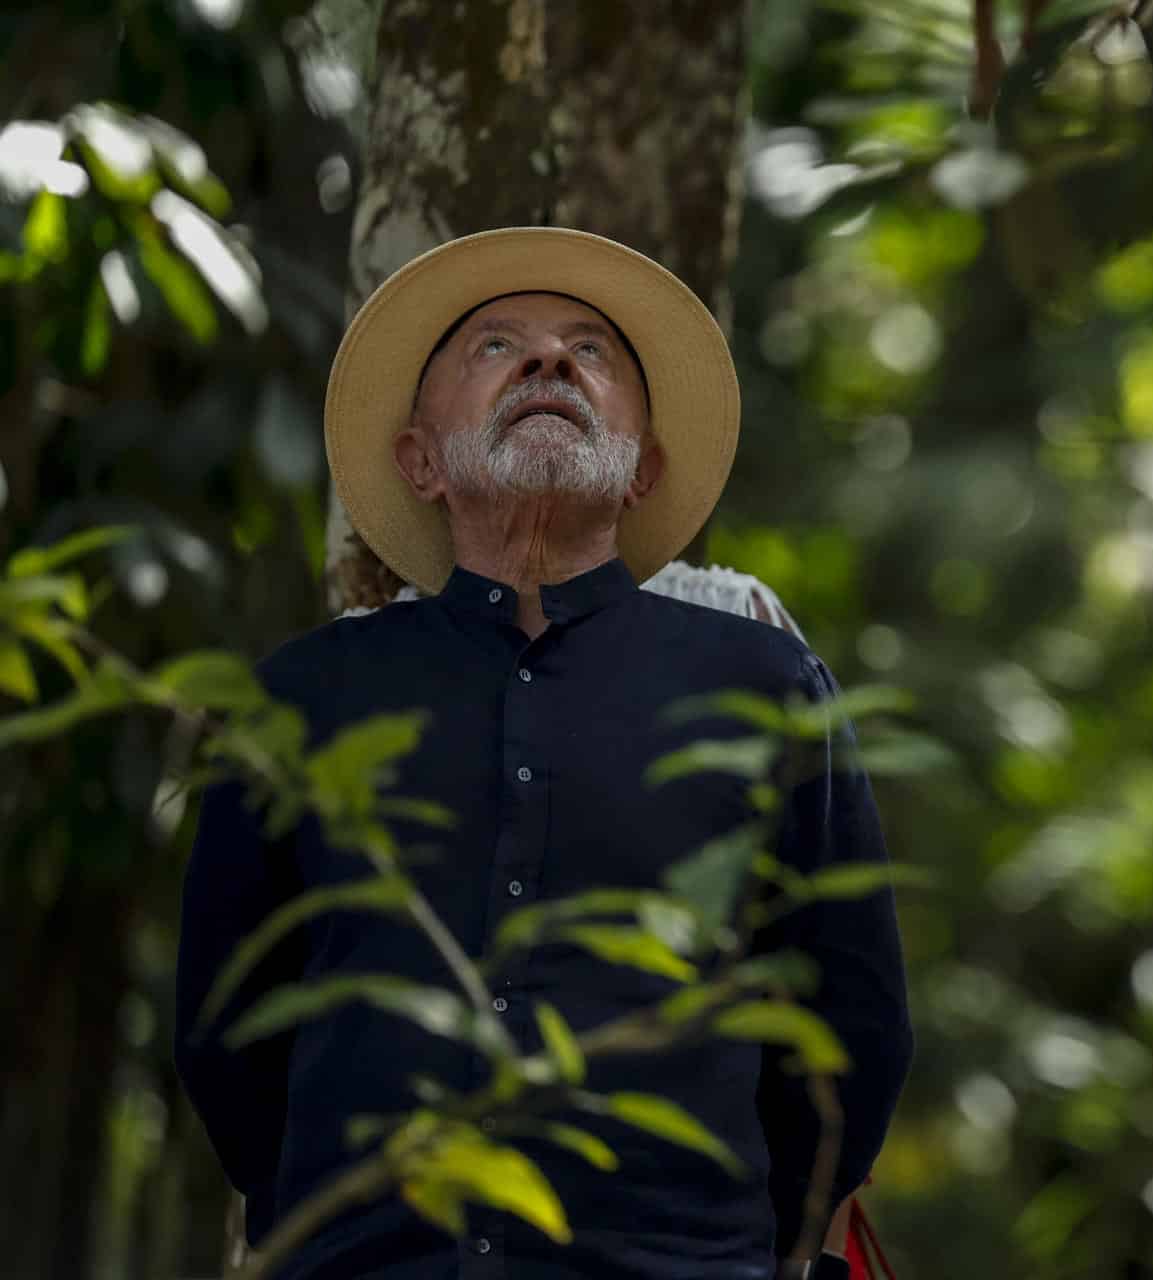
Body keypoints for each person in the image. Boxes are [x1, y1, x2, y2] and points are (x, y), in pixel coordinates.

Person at [173, 227, 913, 1280]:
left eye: (592, 351)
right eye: (494, 346)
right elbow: (227, 1031)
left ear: (645, 467)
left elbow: (854, 1025)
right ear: (419, 461)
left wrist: (718, 1243)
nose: (551, 362)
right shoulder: (303, 697)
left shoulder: (769, 687)